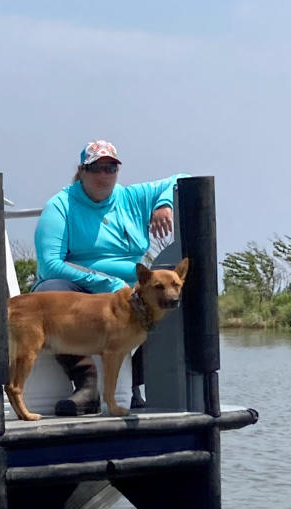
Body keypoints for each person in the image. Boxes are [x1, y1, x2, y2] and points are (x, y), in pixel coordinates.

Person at [31, 139, 187, 415]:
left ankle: (133, 386)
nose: (103, 175)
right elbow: (50, 264)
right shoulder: (60, 205)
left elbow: (183, 178)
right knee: (49, 291)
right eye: (96, 169)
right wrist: (104, 281)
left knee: (167, 296)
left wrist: (164, 204)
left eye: (110, 168)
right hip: (79, 287)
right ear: (82, 171)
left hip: (128, 291)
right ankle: (87, 383)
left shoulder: (132, 197)